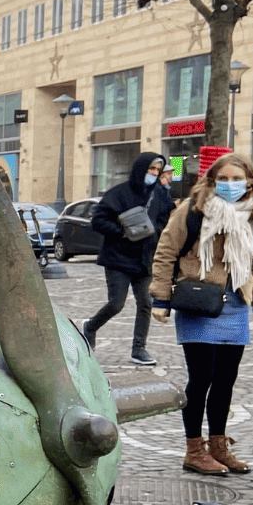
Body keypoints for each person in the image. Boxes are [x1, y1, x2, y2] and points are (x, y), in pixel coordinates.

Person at [150, 153, 253, 476]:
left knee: (226, 380)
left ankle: (218, 445)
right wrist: (160, 297)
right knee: (202, 377)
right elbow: (165, 252)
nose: (231, 185)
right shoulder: (192, 209)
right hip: (199, 301)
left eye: (237, 179)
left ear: (249, 181)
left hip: (234, 304)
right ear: (212, 180)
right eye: (224, 179)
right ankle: (194, 448)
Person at [81, 151, 171, 365]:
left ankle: (139, 349)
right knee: (116, 304)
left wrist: (152, 232)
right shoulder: (119, 193)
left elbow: (163, 220)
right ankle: (91, 326)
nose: (154, 173)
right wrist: (122, 232)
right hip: (118, 258)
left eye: (158, 170)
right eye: (151, 169)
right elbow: (98, 219)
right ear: (141, 168)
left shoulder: (159, 195)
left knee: (145, 304)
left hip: (144, 258)